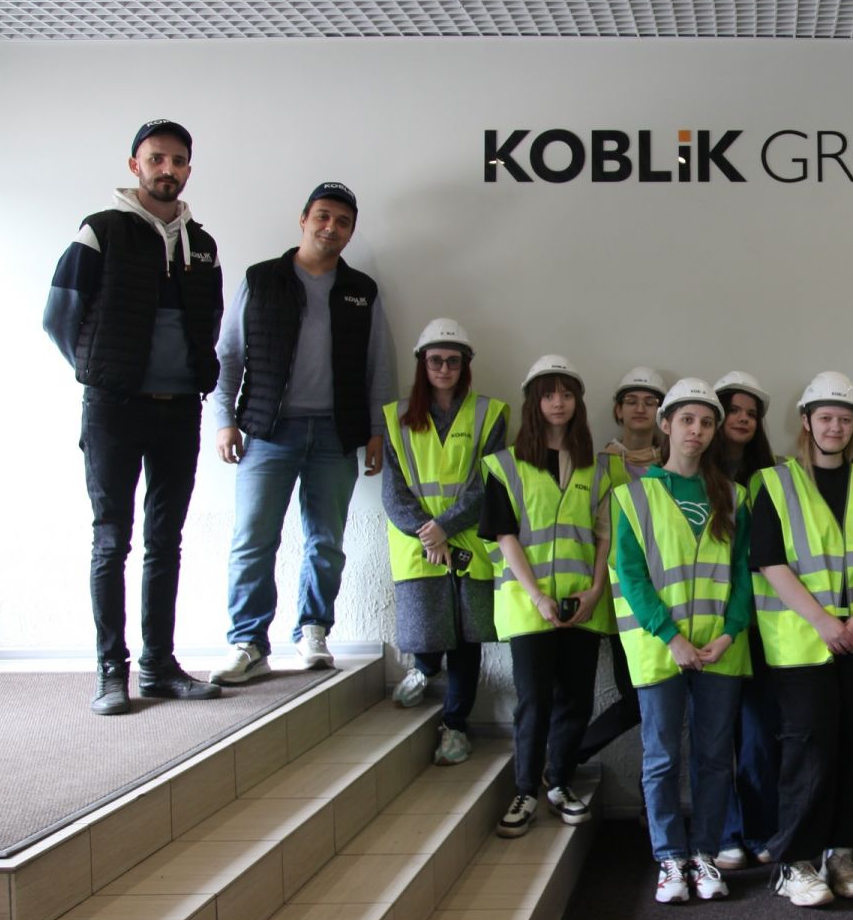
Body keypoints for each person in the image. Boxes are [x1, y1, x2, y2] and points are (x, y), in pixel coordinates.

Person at [43, 118, 224, 715]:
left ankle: (159, 666)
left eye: (178, 160)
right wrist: (103, 373)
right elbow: (59, 318)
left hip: (180, 411)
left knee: (165, 541)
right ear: (135, 166)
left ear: (188, 168)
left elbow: (209, 323)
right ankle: (109, 671)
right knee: (111, 540)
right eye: (156, 159)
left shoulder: (202, 244)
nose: (167, 169)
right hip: (113, 411)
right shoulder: (100, 232)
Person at [210, 181, 394, 683]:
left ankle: (313, 629)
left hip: (336, 435)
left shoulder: (361, 290)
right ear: (304, 219)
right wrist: (224, 419)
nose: (331, 227)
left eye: (343, 222)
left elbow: (379, 366)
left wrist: (376, 431)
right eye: (323, 216)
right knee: (253, 539)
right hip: (268, 432)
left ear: (351, 232)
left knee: (326, 542)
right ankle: (248, 642)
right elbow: (228, 354)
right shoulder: (262, 279)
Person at [750, 372, 853, 907]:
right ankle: (796, 863)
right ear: (807, 422)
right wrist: (823, 622)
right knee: (809, 752)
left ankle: (843, 852)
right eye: (826, 417)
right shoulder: (772, 482)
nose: (835, 427)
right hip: (803, 644)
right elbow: (769, 562)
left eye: (845, 418)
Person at [608, 378, 754, 904]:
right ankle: (670, 858)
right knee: (662, 758)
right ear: (666, 424)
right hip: (660, 650)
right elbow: (630, 575)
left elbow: (744, 576)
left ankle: (705, 854)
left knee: (714, 758)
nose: (697, 430)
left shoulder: (733, 496)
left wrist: (730, 632)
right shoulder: (631, 496)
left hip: (719, 651)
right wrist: (672, 638)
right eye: (687, 420)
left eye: (706, 422)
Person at [481, 355, 611, 836]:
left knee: (575, 700)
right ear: (533, 402)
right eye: (549, 394)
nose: (559, 403)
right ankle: (525, 792)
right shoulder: (505, 466)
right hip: (526, 604)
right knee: (533, 701)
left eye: (567, 394)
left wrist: (595, 589)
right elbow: (505, 535)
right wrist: (537, 597)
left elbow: (604, 535)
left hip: (582, 602)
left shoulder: (597, 468)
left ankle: (559, 782)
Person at [381, 319, 508, 767]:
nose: (444, 368)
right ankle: (423, 667)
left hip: (467, 542)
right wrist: (426, 531)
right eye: (436, 360)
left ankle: (455, 727)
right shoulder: (395, 417)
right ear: (422, 363)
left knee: (466, 641)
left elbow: (488, 481)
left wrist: (445, 528)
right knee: (428, 629)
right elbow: (393, 491)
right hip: (418, 546)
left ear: (465, 365)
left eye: (453, 361)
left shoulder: (490, 413)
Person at [576, 365, 669, 764]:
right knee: (637, 697)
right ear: (618, 410)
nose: (640, 409)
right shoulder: (598, 465)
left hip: (665, 596)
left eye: (650, 402)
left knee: (654, 699)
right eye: (631, 401)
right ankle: (569, 756)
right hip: (617, 599)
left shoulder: (674, 464)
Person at [713, 370, 780, 871]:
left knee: (759, 736)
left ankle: (760, 827)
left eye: (750, 414)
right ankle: (725, 832)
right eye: (733, 410)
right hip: (709, 623)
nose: (742, 419)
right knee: (715, 737)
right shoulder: (694, 474)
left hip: (761, 625)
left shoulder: (771, 478)